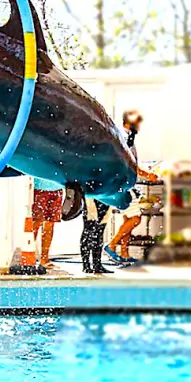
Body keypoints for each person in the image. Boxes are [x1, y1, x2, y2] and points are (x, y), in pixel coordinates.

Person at [105, 110, 159, 264]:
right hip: (125, 183)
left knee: (128, 219)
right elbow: (127, 161)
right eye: (138, 123)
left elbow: (133, 161)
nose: (140, 126)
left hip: (127, 182)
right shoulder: (124, 137)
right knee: (135, 219)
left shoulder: (129, 137)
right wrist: (147, 175)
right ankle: (111, 245)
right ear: (129, 123)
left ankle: (124, 253)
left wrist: (145, 170)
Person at [31, 177, 63, 268]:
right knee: (36, 223)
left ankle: (45, 259)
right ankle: (30, 256)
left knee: (50, 224)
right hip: (39, 189)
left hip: (57, 189)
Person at [81, 198, 115, 274]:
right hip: (91, 196)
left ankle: (97, 264)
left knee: (99, 232)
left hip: (104, 199)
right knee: (89, 228)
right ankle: (86, 264)